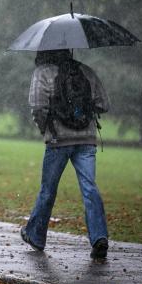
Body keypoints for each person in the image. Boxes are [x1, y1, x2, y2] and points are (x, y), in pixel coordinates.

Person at [20, 49, 110, 259]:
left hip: (58, 140)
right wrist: (82, 111)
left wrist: (46, 127)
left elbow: (37, 106)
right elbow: (104, 105)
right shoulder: (86, 71)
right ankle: (99, 237)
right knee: (89, 188)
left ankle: (36, 236)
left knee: (48, 190)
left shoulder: (42, 73)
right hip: (86, 140)